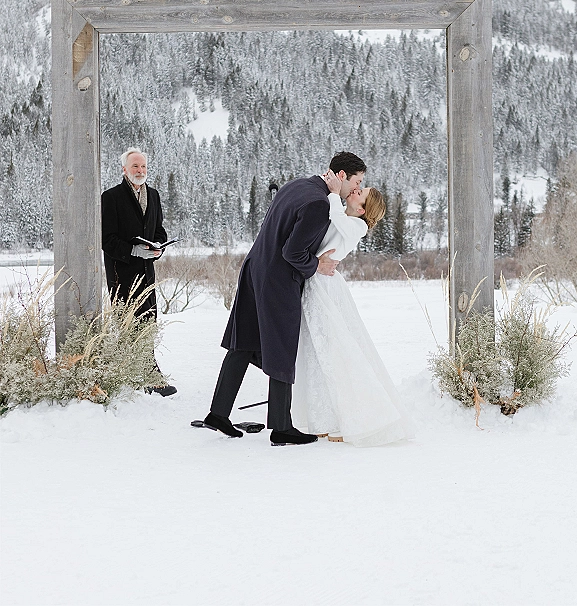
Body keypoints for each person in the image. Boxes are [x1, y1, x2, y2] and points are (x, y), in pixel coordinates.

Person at [202, 152, 367, 446]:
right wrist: (318, 265)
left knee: (243, 343)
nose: (356, 188)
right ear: (341, 175)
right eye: (356, 181)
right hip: (278, 279)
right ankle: (281, 427)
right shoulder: (318, 203)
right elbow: (293, 253)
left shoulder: (298, 185)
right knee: (282, 348)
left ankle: (218, 413)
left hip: (255, 268)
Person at [292, 170, 415, 446]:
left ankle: (345, 419)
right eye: (359, 188)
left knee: (334, 349)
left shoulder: (357, 226)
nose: (356, 191)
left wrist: (335, 194)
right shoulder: (344, 217)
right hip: (317, 283)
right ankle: (321, 418)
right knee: (314, 351)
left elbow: (337, 218)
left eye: (361, 193)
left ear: (362, 209)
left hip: (325, 288)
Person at [101, 147, 177, 397]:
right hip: (122, 275)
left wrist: (157, 249)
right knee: (127, 324)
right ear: (124, 169)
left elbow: (159, 231)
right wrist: (133, 251)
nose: (140, 171)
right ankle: (134, 376)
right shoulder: (110, 197)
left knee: (148, 323)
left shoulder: (153, 195)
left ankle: (147, 374)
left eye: (143, 167)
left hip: (147, 273)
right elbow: (107, 239)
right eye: (135, 166)